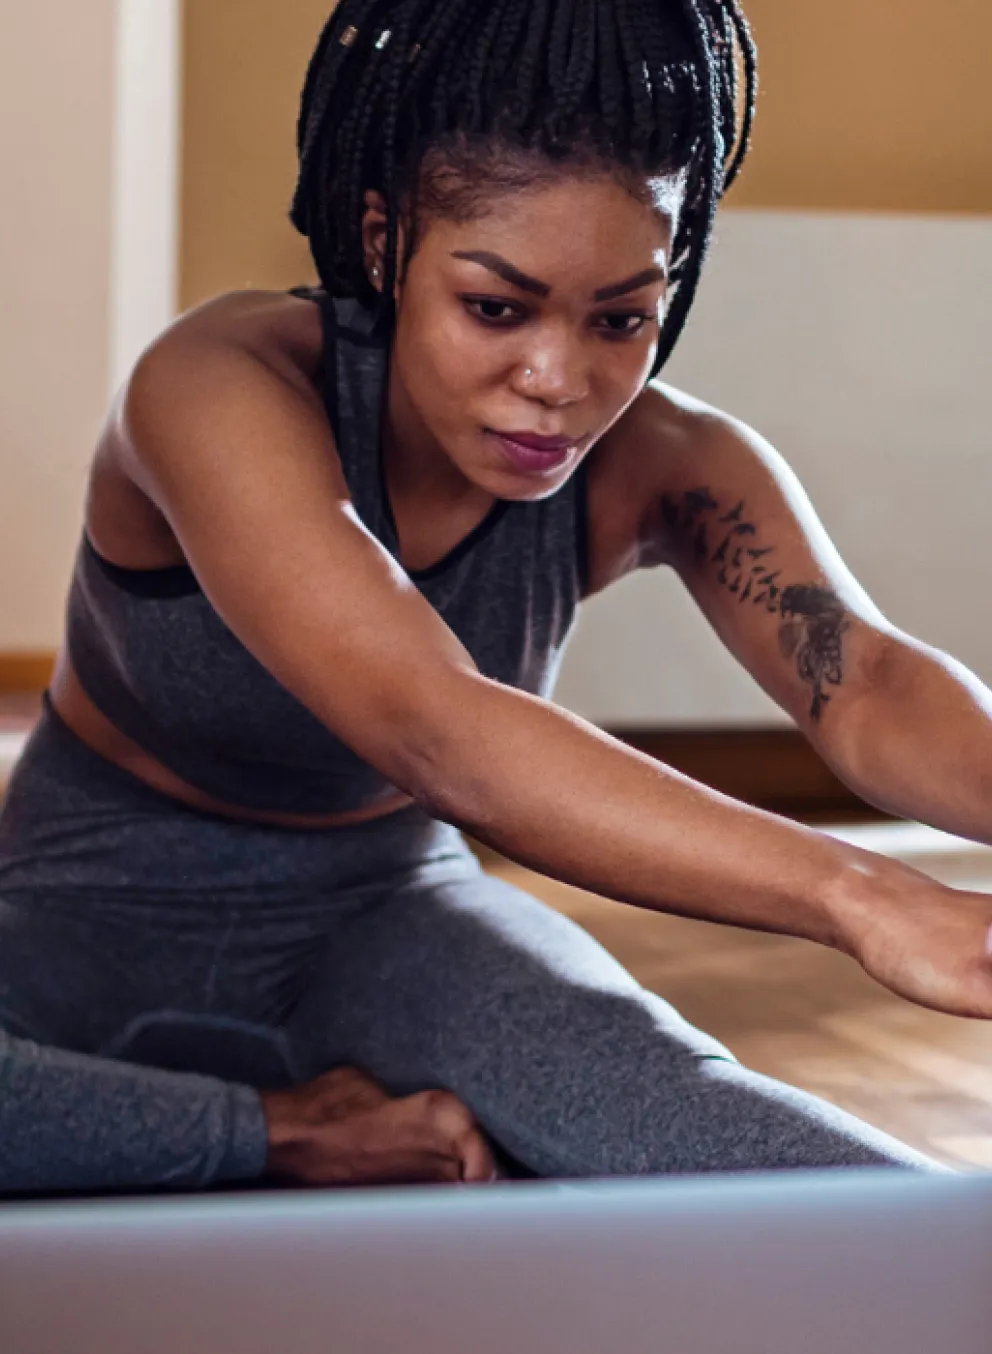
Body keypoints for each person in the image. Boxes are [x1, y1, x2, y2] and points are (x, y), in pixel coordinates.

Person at [1, 0, 989, 1199]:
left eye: (621, 318)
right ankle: (287, 1133)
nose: (558, 382)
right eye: (496, 306)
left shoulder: (669, 467)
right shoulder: (219, 387)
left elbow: (866, 683)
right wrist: (860, 890)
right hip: (79, 911)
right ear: (384, 244)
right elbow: (436, 726)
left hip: (386, 922)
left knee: (706, 1124)